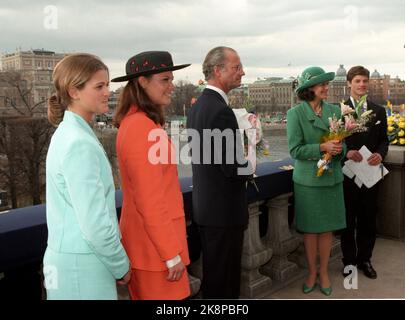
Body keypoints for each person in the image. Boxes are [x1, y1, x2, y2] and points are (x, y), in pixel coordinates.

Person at [44, 53, 131, 300]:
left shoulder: (69, 133)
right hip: (83, 268)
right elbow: (94, 223)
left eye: (108, 85)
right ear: (74, 92)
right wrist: (120, 264)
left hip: (73, 262)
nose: (108, 93)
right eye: (100, 86)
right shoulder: (79, 143)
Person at [111, 51, 191, 300]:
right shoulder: (141, 127)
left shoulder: (138, 122)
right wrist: (170, 254)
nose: (172, 86)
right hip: (155, 254)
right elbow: (150, 200)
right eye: (165, 80)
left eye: (171, 79)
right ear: (142, 82)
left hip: (150, 250)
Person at [186, 46, 254, 299]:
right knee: (225, 282)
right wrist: (253, 154)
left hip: (205, 208)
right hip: (224, 213)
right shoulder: (221, 111)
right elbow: (234, 168)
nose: (242, 72)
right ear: (218, 70)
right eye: (236, 67)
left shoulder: (197, 107)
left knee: (214, 278)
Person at [287, 66, 347, 296]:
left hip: (331, 179)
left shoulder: (335, 110)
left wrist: (339, 149)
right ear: (308, 89)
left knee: (326, 230)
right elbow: (295, 150)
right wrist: (322, 147)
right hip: (309, 182)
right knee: (311, 231)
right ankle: (312, 272)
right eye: (321, 84)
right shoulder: (295, 114)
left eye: (326, 84)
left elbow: (343, 144)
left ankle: (323, 272)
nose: (326, 87)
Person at [341, 66, 389, 279]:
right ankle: (349, 261)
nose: (362, 85)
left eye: (365, 81)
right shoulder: (338, 110)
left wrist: (380, 153)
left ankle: (365, 260)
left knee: (369, 218)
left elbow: (384, 140)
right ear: (349, 83)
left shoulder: (378, 111)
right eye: (358, 81)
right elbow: (333, 141)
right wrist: (346, 152)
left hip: (370, 173)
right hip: (347, 175)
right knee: (348, 220)